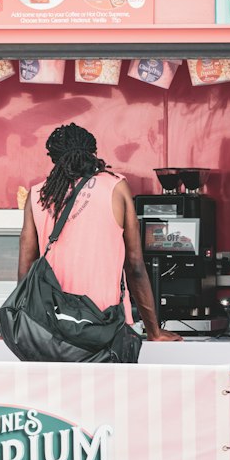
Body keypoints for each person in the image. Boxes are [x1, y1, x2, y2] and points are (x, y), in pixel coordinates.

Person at [18, 122, 180, 344]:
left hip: (52, 324)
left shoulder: (38, 194)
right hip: (106, 323)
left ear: (54, 159)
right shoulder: (115, 187)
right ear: (92, 154)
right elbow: (134, 265)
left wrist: (20, 322)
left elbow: (26, 269)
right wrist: (154, 331)